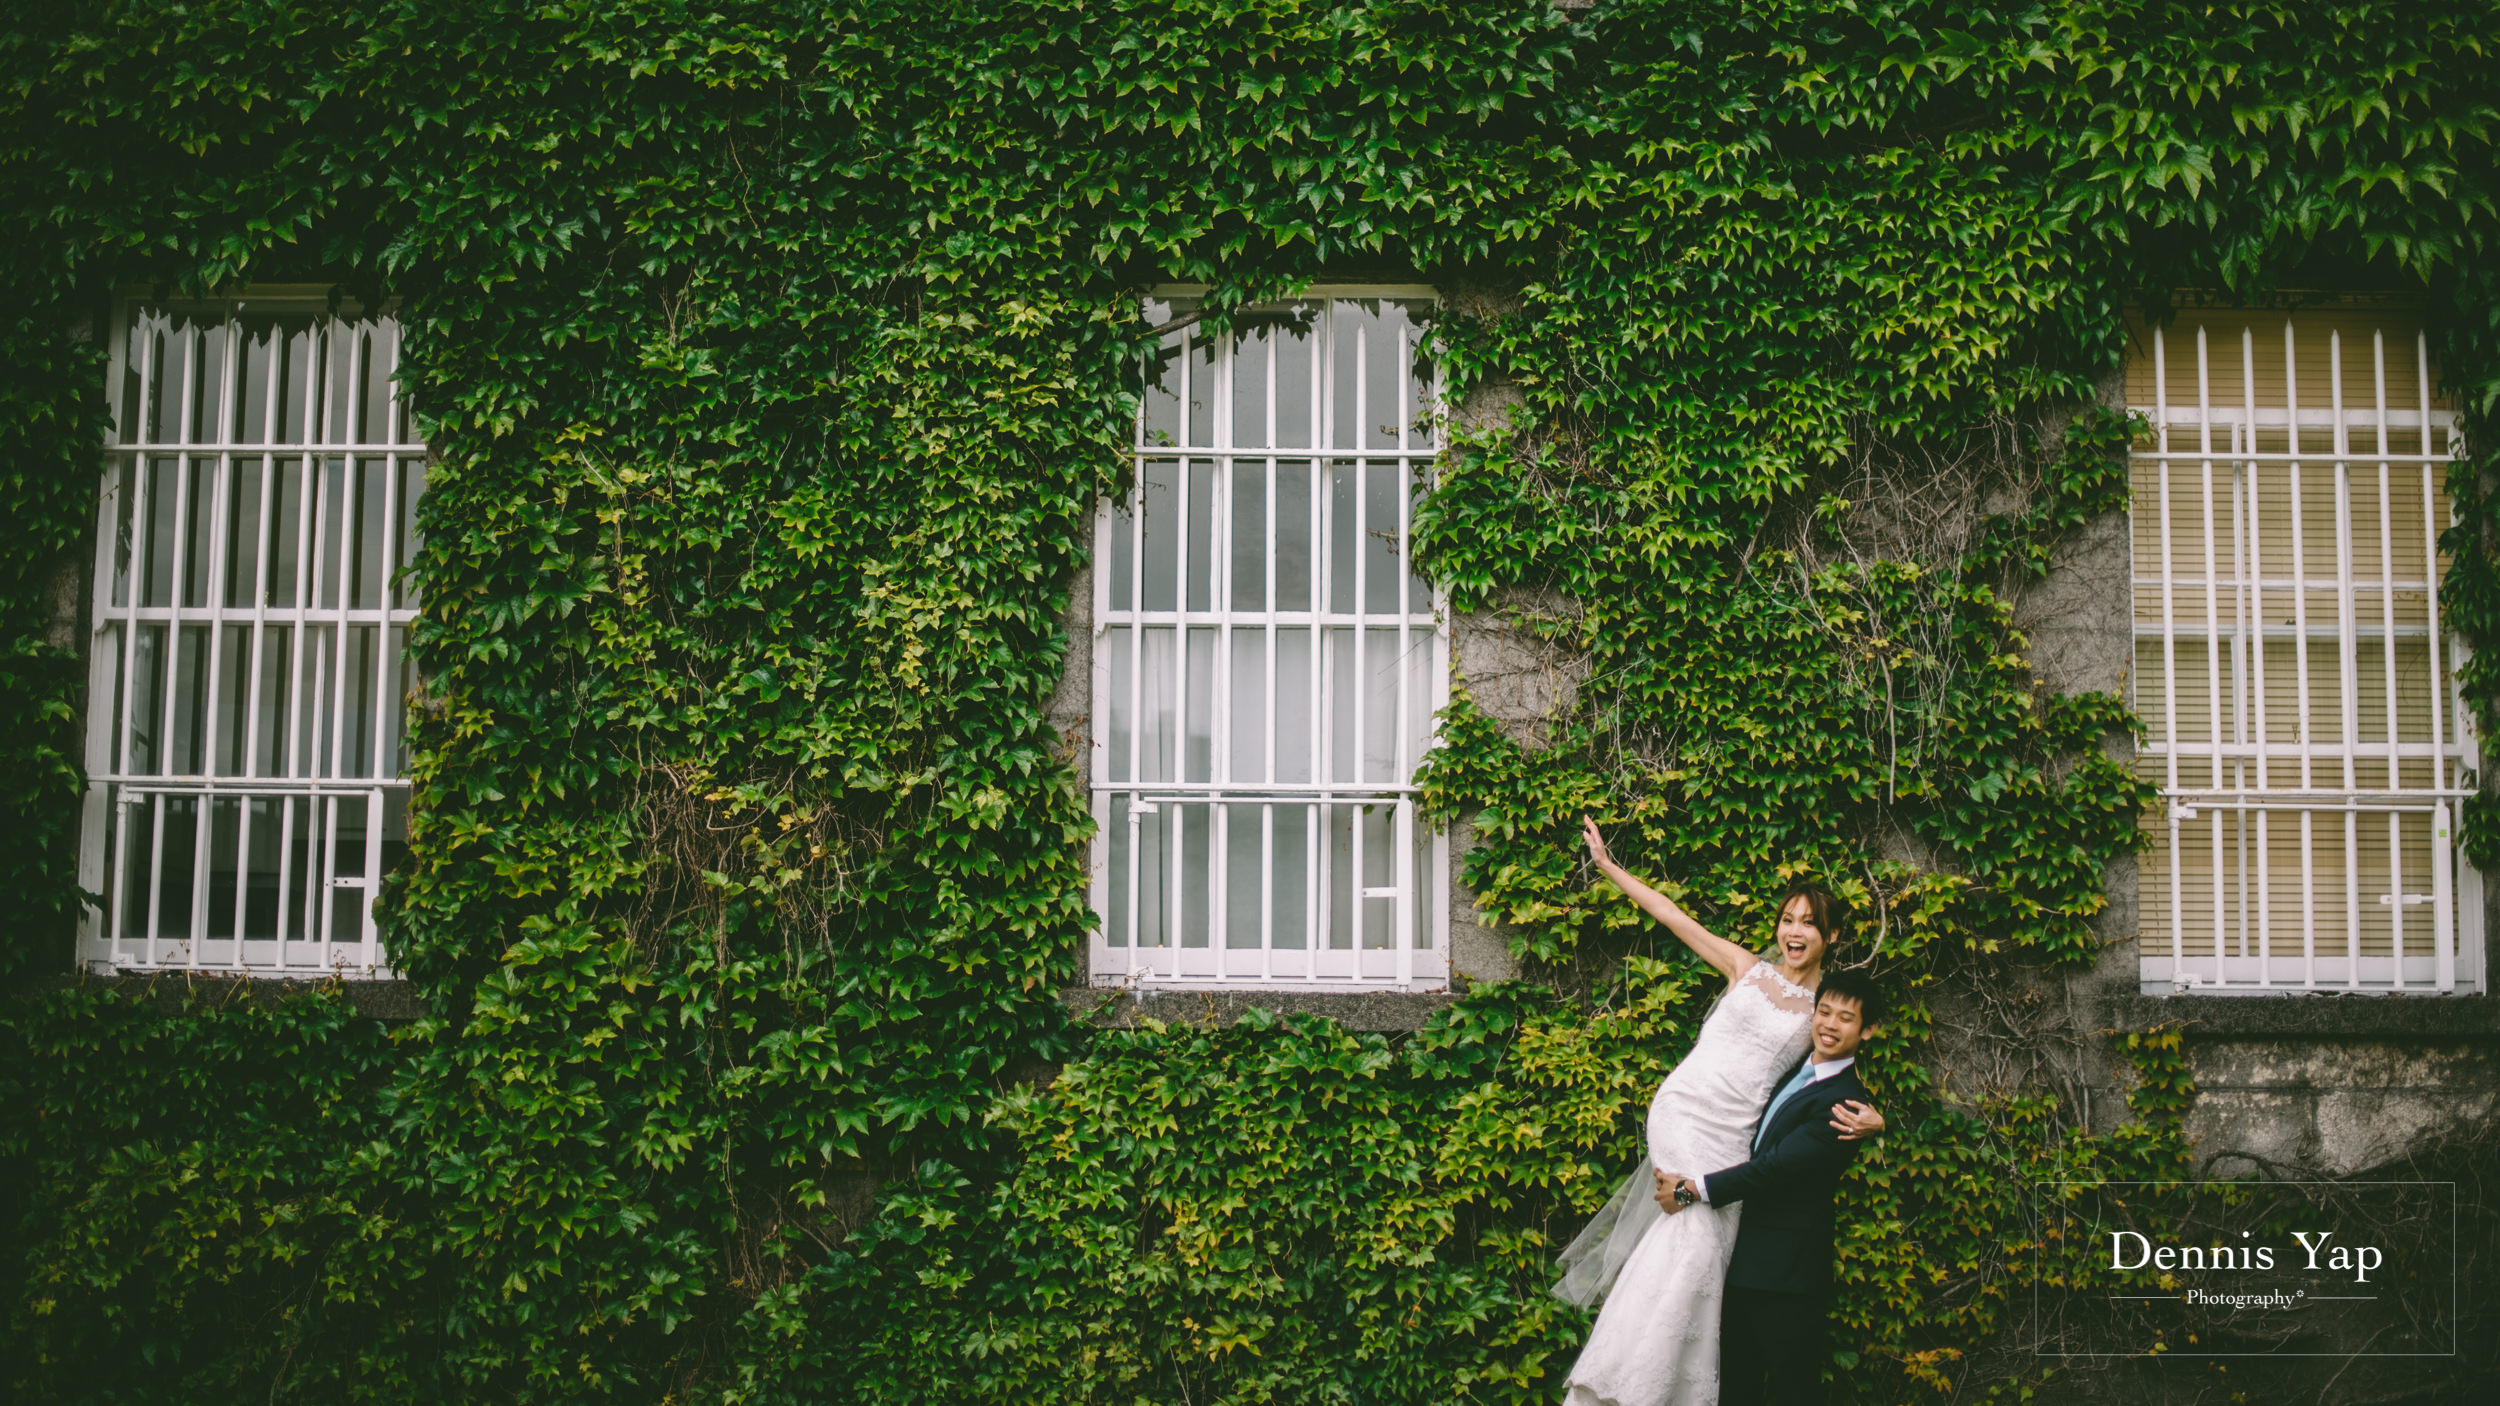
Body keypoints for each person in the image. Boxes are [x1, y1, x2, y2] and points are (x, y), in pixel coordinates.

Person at [1554, 818, 1882, 1406]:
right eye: (1787, 919)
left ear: (1830, 936)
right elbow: (1672, 915)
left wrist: (1878, 1121)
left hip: (1737, 1136)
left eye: (1809, 923)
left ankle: (1656, 1383)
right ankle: (1628, 1387)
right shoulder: (1746, 970)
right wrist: (1607, 866)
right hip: (1688, 1111)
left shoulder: (1825, 1005)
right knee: (1695, 1240)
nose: (1794, 931)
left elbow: (1842, 1067)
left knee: (1700, 1247)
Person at [1654, 969, 1887, 1406]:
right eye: (1824, 1012)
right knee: (1735, 1389)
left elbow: (1772, 1170)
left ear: (1868, 1029)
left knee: (1790, 1390)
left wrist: (1689, 1191)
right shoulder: (1789, 1075)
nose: (1830, 1025)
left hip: (1788, 1275)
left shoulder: (1846, 1105)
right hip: (1744, 1263)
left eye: (1846, 1018)